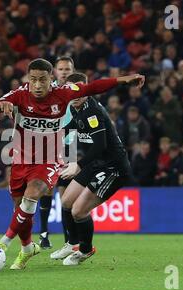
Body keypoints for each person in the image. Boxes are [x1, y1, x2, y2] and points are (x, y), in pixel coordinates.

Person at [0, 58, 144, 269]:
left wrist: (124, 80)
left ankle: (3, 245)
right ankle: (33, 247)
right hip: (22, 160)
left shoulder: (70, 97)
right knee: (39, 206)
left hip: (66, 162)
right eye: (33, 80)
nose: (38, 85)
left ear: (52, 79)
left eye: (42, 80)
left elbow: (94, 88)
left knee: (45, 202)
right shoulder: (20, 95)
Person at [52, 72, 133, 265]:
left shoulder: (92, 111)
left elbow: (100, 146)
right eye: (74, 90)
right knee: (66, 202)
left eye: (82, 89)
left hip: (113, 168)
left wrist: (77, 165)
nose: (78, 93)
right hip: (96, 164)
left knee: (78, 211)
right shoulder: (76, 109)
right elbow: (68, 129)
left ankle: (85, 250)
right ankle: (72, 244)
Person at [39, 56, 75, 249]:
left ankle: (68, 240)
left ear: (72, 70)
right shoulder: (47, 91)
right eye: (60, 69)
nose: (64, 72)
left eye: (67, 69)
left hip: (71, 146)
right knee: (47, 189)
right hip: (50, 144)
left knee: (65, 194)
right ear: (54, 72)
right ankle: (43, 234)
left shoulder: (77, 91)